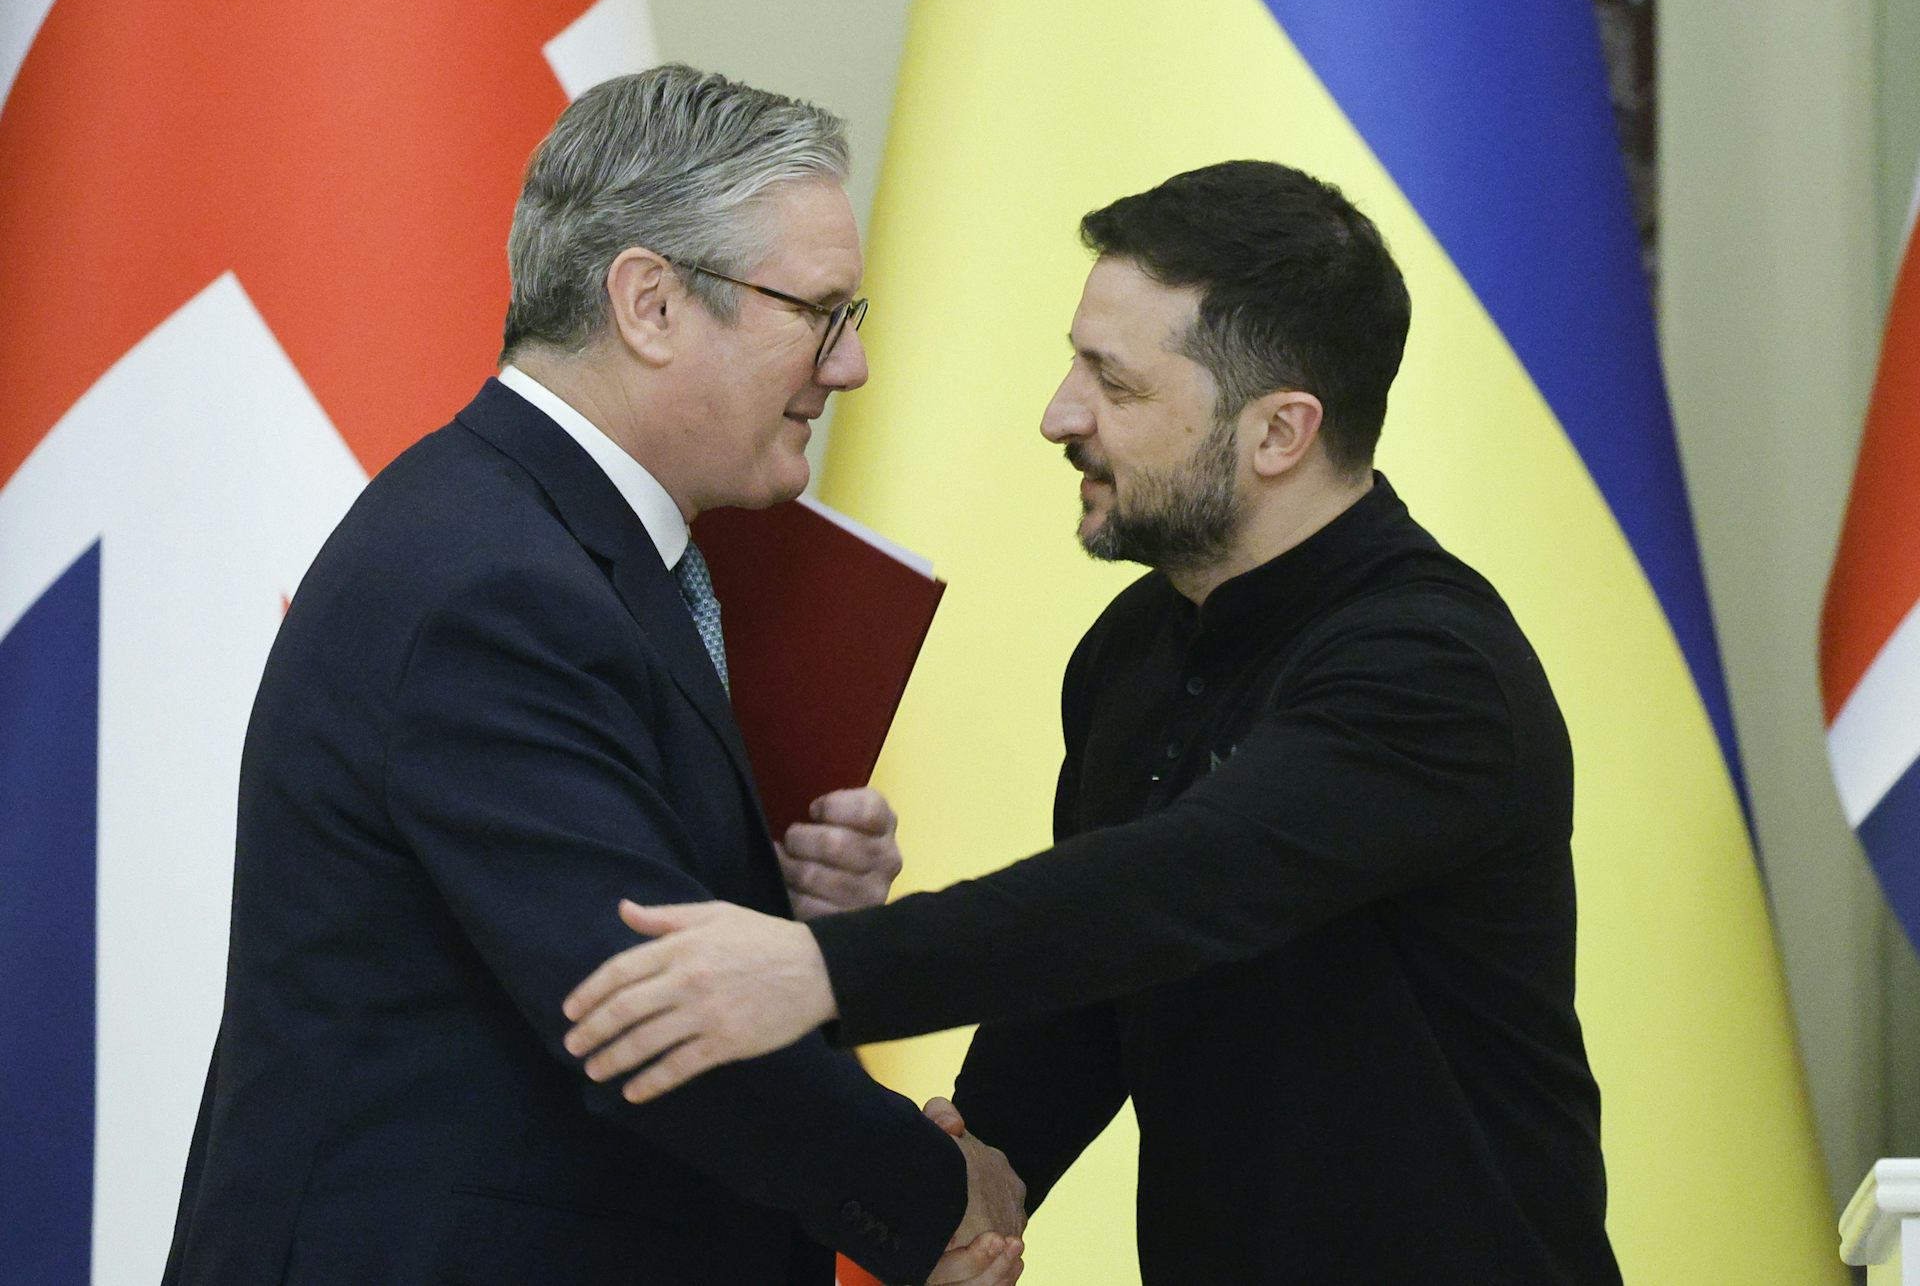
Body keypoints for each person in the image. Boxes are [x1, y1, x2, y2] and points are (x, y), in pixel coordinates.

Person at [559, 161, 1625, 1284]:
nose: (1060, 415)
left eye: (1114, 387)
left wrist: (815, 966)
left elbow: (1172, 889)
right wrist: (981, 1172)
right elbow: (1096, 982)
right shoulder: (1132, 646)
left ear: (1280, 432)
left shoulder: (1433, 671)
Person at [162, 66, 1026, 1286]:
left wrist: (799, 921)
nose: (852, 367)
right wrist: (937, 1197)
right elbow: (648, 1009)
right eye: (822, 314)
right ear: (651, 304)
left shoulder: (559, 543)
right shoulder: (494, 586)